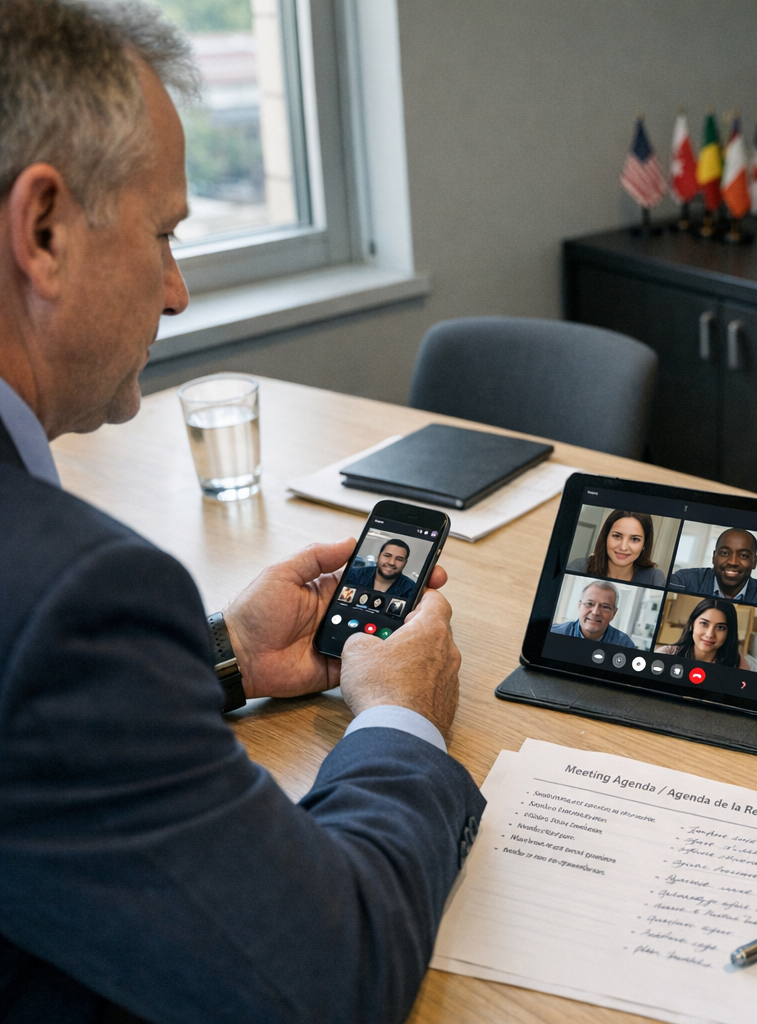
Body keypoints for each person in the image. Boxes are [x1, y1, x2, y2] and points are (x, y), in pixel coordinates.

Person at [0, 3, 483, 1022]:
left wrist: (221, 655)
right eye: (165, 234)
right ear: (41, 230)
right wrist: (400, 717)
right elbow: (330, 975)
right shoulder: (73, 591)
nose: (176, 293)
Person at [669, 528, 757, 606]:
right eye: (725, 553)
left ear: (755, 562)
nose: (732, 562)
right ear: (714, 557)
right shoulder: (683, 581)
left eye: (743, 555)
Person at [567, 509, 666, 585]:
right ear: (606, 537)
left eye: (635, 539)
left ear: (644, 544)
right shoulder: (579, 568)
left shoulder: (655, 578)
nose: (623, 547)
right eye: (617, 536)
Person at [655, 598, 752, 669]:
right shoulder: (666, 654)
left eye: (720, 627)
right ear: (692, 624)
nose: (710, 634)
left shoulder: (737, 662)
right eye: (704, 623)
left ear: (729, 633)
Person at [550, 580, 636, 647]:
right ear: (579, 606)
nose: (595, 612)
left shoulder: (624, 644)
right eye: (589, 604)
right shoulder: (554, 633)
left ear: (614, 613)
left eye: (605, 607)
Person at [347, 538, 418, 602]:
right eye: (387, 556)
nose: (391, 562)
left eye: (399, 559)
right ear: (378, 557)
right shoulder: (354, 574)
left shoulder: (410, 589)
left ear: (405, 563)